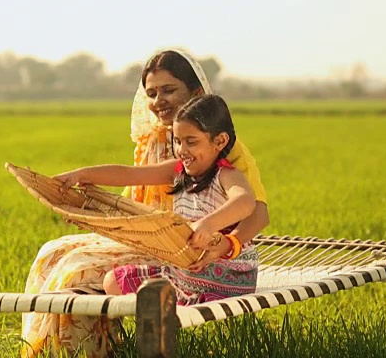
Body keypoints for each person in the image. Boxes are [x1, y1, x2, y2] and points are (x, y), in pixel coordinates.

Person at [20, 50, 268, 358]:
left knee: (75, 270)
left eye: (169, 90)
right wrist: (85, 192)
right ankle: (41, 350)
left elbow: (255, 211)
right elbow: (131, 190)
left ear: (195, 91)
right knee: (51, 253)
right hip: (146, 237)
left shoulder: (220, 148)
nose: (158, 100)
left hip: (183, 246)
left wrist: (226, 243)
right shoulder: (160, 144)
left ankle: (90, 352)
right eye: (151, 93)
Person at [55, 94, 258, 302]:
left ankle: (173, 311)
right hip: (186, 268)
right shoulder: (178, 171)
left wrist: (207, 225)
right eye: (178, 141)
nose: (182, 150)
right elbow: (129, 174)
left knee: (155, 293)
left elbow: (245, 201)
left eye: (191, 142)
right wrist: (82, 175)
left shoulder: (226, 175)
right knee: (113, 281)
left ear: (220, 141)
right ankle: (162, 315)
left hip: (227, 271)